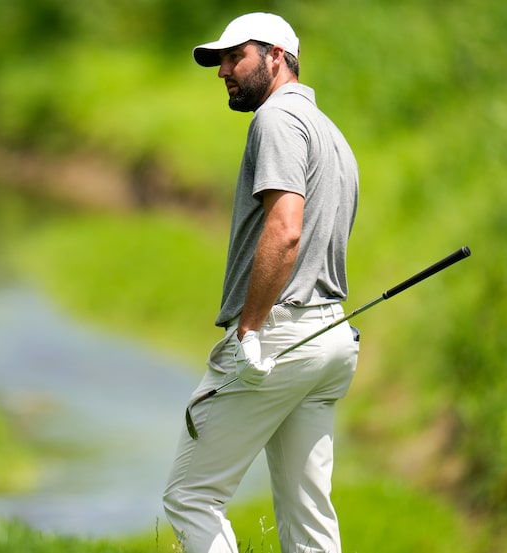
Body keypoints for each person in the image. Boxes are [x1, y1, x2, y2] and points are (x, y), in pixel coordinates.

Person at [162, 12, 360, 553]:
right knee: (309, 517)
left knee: (190, 496)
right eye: (219, 61)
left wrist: (249, 330)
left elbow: (286, 229)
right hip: (331, 339)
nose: (223, 70)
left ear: (276, 55)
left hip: (278, 337)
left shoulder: (274, 121)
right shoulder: (331, 132)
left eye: (234, 57)